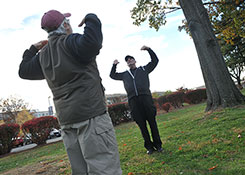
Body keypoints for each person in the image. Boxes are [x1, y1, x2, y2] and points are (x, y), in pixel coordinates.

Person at [19, 10, 122, 175]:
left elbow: (24, 71)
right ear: (65, 25)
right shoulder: (72, 42)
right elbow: (93, 43)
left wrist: (33, 48)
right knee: (104, 168)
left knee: (81, 171)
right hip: (92, 117)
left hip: (67, 122)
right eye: (68, 23)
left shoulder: (42, 56)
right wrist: (91, 17)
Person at [110, 46, 163, 155]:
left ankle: (158, 145)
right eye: (127, 60)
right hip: (134, 102)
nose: (129, 60)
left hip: (146, 99)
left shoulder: (143, 69)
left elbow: (155, 61)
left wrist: (149, 49)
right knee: (142, 126)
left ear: (135, 61)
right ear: (127, 63)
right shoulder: (125, 74)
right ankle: (149, 147)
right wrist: (114, 65)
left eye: (131, 59)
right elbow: (112, 75)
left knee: (152, 123)